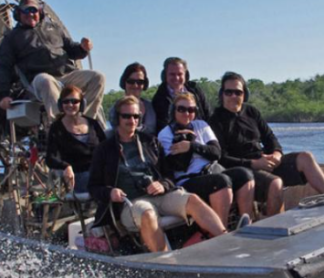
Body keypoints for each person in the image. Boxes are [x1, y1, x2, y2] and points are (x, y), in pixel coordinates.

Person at [88, 96, 227, 252]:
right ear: (117, 118)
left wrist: (162, 184)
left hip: (160, 196)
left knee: (192, 199)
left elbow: (169, 175)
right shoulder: (104, 149)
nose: (132, 120)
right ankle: (167, 264)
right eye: (126, 116)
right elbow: (93, 187)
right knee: (147, 214)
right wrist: (109, 192)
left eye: (136, 116)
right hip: (131, 203)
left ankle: (226, 241)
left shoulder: (151, 142)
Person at [209, 72, 324, 216]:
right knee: (276, 184)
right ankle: (270, 227)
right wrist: (254, 163)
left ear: (244, 95)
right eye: (228, 92)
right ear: (222, 95)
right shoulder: (215, 120)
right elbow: (222, 158)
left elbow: (270, 138)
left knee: (306, 157)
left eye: (238, 92)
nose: (233, 96)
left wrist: (276, 154)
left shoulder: (251, 112)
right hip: (243, 173)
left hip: (265, 162)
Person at [0, 0, 105, 121]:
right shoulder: (11, 38)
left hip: (67, 75)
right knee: (47, 81)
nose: (30, 14)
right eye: (26, 11)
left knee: (98, 77)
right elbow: (3, 66)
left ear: (39, 12)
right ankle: (61, 126)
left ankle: (85, 122)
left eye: (33, 10)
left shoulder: (54, 28)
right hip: (39, 80)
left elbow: (73, 50)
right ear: (18, 13)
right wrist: (3, 95)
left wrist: (83, 48)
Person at [158, 93, 254, 228]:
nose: (187, 113)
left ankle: (247, 225)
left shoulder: (201, 125)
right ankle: (222, 232)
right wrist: (187, 146)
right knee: (221, 181)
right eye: (181, 109)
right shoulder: (165, 134)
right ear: (173, 110)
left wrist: (192, 146)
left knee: (245, 175)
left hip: (210, 172)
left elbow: (216, 153)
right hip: (187, 180)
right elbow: (178, 167)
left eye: (191, 110)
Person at [45, 86, 106, 193]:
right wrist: (66, 166)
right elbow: (51, 158)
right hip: (77, 175)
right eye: (66, 101)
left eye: (74, 101)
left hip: (99, 172)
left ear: (81, 104)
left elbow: (106, 147)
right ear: (61, 104)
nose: (70, 105)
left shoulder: (93, 124)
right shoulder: (56, 128)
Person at [151, 56, 211, 129]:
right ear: (164, 75)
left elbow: (208, 115)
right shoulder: (158, 99)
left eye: (180, 74)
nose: (176, 78)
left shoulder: (196, 90)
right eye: (172, 74)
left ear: (186, 75)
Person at [108, 62, 157, 135]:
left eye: (140, 82)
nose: (135, 85)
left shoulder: (150, 106)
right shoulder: (116, 108)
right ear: (124, 82)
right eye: (131, 81)